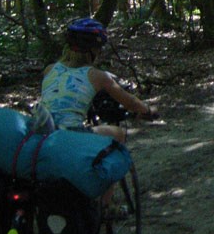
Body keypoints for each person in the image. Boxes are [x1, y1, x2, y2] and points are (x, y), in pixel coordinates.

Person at [35, 18, 155, 146]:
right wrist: (148, 110)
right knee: (119, 133)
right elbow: (131, 103)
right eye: (99, 48)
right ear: (93, 50)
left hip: (42, 131)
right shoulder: (97, 76)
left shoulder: (49, 69)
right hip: (70, 132)